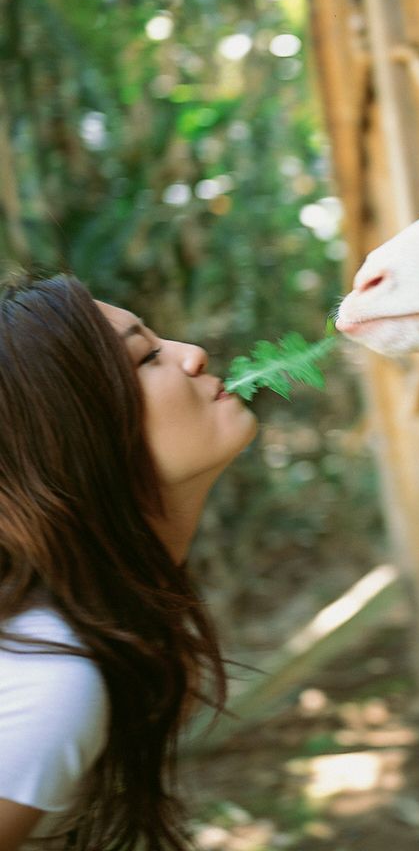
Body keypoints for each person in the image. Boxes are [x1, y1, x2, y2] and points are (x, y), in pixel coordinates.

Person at [0, 272, 259, 851]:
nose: (193, 355)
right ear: (73, 436)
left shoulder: (107, 623)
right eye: (146, 358)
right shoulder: (53, 688)